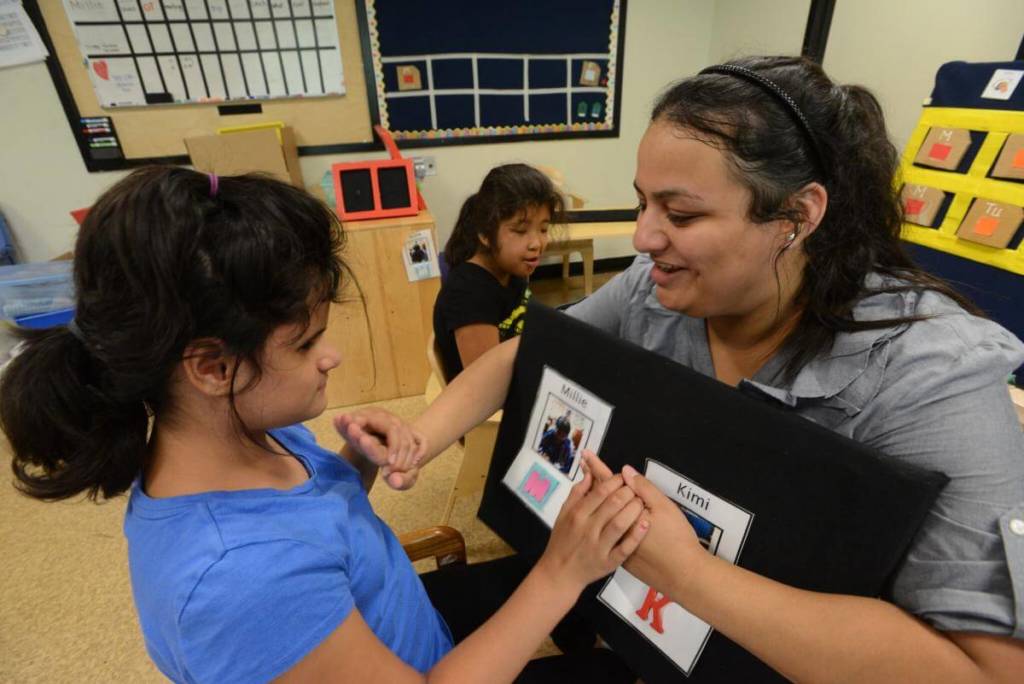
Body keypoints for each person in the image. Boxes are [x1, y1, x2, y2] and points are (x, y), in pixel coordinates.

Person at [376, 56, 1024, 680]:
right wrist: (421, 437)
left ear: (796, 217)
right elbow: (530, 351)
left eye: (680, 214)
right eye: (643, 204)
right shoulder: (650, 288)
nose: (642, 238)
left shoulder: (932, 378)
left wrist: (685, 574)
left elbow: (989, 671)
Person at [0, 167, 649, 683]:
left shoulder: (247, 432)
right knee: (601, 650)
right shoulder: (241, 583)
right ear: (211, 367)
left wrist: (356, 463)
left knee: (586, 599)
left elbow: (309, 526)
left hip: (402, 625)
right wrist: (559, 573)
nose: (330, 357)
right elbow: (284, 567)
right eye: (308, 344)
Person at [433, 163, 563, 380]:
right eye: (520, 231)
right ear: (485, 233)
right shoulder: (468, 294)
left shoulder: (512, 272)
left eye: (543, 229)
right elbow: (487, 384)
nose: (536, 243)